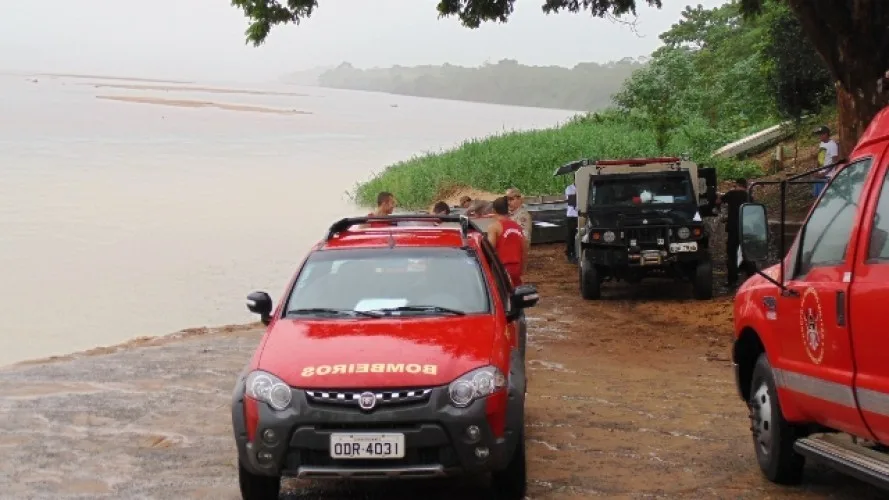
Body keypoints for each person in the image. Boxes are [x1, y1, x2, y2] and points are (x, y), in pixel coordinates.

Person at [715, 179, 756, 288]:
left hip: (733, 229)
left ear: (737, 185)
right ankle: (752, 278)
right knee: (748, 253)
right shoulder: (749, 197)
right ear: (746, 186)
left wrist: (718, 196)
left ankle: (732, 280)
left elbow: (718, 201)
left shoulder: (732, 194)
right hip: (746, 229)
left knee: (732, 255)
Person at [486, 196, 527, 286]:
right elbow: (524, 248)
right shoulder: (517, 226)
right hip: (517, 267)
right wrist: (523, 268)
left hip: (502, 268)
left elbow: (489, 249)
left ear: (494, 210)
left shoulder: (494, 227)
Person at [506, 188, 533, 271]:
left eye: (511, 199)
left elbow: (525, 238)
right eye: (507, 199)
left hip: (517, 251)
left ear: (519, 199)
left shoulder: (522, 215)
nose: (508, 202)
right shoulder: (511, 213)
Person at [813, 125, 840, 198]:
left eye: (821, 134)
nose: (819, 136)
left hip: (827, 176)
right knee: (818, 198)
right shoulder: (822, 144)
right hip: (820, 174)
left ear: (826, 134)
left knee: (825, 198)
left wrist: (824, 173)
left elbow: (835, 162)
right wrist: (816, 170)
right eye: (818, 134)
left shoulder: (832, 145)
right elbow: (820, 158)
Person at [564, 182, 578, 264]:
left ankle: (577, 253)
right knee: (571, 235)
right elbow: (572, 201)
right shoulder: (569, 188)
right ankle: (570, 253)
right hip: (572, 215)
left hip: (581, 214)